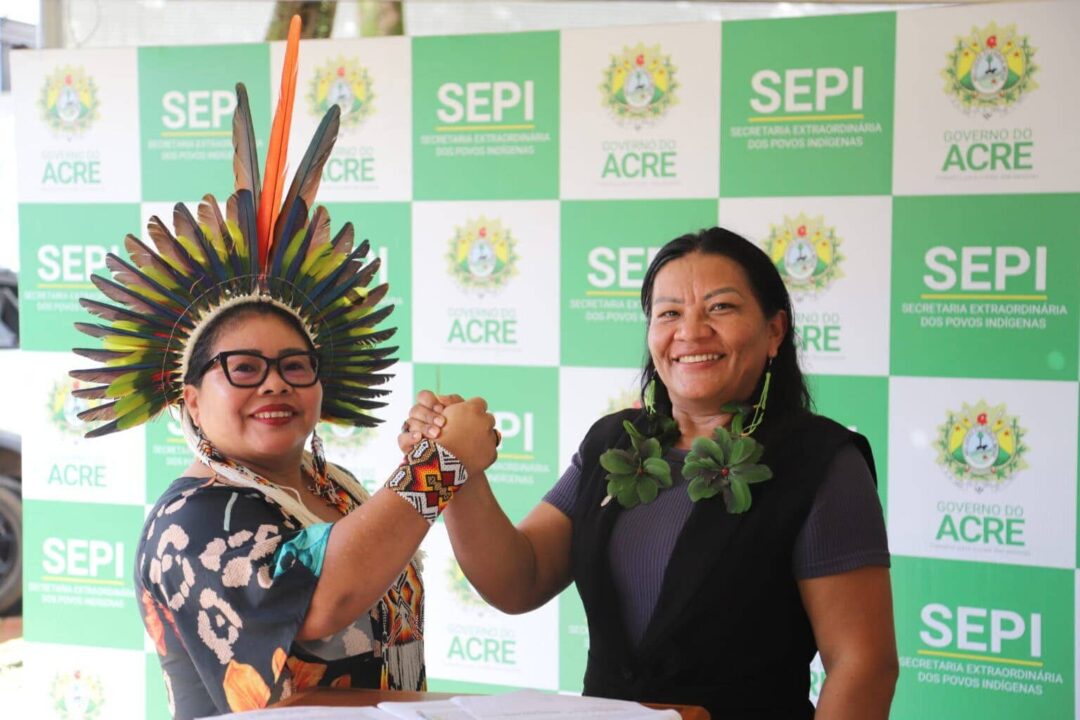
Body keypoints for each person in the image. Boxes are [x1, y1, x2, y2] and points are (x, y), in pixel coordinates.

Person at [68, 18, 497, 718]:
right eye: (243, 367)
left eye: (295, 365)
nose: (275, 383)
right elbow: (322, 600)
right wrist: (439, 464)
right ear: (190, 398)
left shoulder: (344, 489)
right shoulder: (191, 520)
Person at [402, 227, 898, 719]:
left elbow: (864, 665)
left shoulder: (823, 461)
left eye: (721, 307)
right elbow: (519, 579)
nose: (691, 331)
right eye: (669, 313)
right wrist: (455, 468)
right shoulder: (612, 442)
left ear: (774, 331)